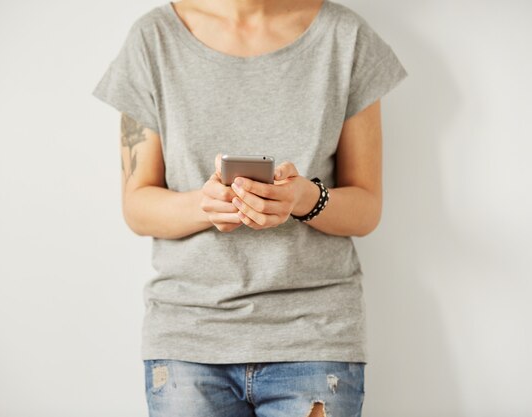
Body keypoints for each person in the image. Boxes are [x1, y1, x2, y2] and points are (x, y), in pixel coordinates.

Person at [92, 0, 407, 415]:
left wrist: (304, 199)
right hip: (190, 341)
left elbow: (366, 207)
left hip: (314, 337)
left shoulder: (345, 37)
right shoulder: (154, 39)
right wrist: (204, 206)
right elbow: (137, 205)